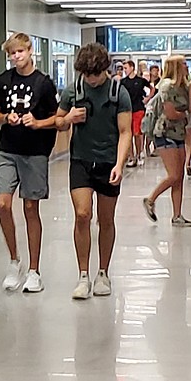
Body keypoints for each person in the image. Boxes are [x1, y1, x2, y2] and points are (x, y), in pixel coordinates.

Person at [56, 43, 132, 299]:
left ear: (105, 70)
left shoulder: (118, 93)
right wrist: (68, 119)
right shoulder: (73, 91)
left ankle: (103, 272)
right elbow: (58, 123)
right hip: (81, 161)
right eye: (87, 75)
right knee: (82, 214)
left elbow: (125, 132)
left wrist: (120, 164)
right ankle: (83, 274)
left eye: (95, 75)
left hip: (109, 161)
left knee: (106, 219)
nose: (91, 80)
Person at [0, 33, 59, 293]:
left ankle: (34, 270)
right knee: (3, 203)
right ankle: (14, 260)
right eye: (12, 54)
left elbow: (57, 118)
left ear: (30, 51)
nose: (16, 57)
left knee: (31, 207)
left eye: (20, 51)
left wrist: (37, 123)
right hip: (7, 149)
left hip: (35, 151)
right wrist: (6, 117)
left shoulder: (44, 83)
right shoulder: (2, 81)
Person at [142, 56, 191, 227]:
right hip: (165, 132)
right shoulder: (166, 86)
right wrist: (183, 115)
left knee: (179, 176)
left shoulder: (183, 86)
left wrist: (190, 86)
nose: (186, 67)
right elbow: (170, 113)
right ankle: (151, 199)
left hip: (179, 133)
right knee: (174, 175)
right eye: (183, 64)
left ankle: (177, 215)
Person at [119, 59, 152, 168]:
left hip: (138, 108)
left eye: (126, 68)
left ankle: (139, 154)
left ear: (132, 67)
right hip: (127, 109)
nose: (124, 70)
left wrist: (147, 98)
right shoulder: (123, 82)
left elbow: (152, 89)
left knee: (137, 133)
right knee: (128, 133)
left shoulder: (141, 80)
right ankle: (131, 156)